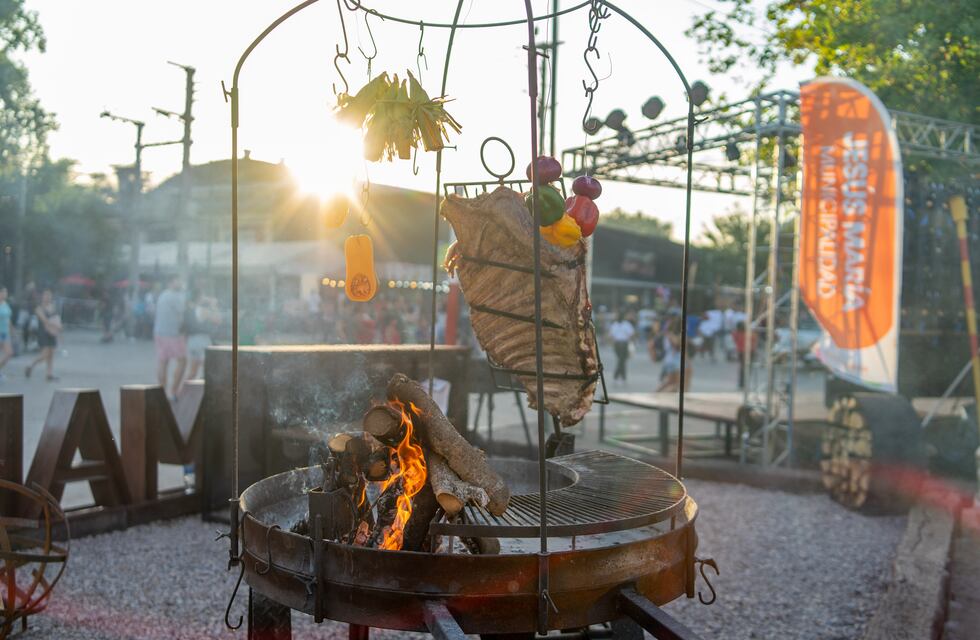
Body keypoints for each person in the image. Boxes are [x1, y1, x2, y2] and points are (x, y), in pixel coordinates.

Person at [153, 276, 187, 399]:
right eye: (178, 281)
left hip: (159, 332)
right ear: (171, 282)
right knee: (182, 361)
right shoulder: (176, 296)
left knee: (163, 361)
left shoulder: (163, 295)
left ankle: (161, 394)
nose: (180, 283)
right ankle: (173, 391)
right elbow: (184, 311)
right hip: (173, 334)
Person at [182, 289, 221, 389]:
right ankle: (204, 392)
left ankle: (183, 392)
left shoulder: (189, 309)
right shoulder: (202, 310)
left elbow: (185, 328)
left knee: (193, 371)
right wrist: (214, 306)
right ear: (199, 298)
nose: (205, 298)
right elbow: (217, 320)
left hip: (192, 342)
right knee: (208, 370)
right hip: (202, 342)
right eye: (203, 296)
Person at [25, 289, 61, 381]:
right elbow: (44, 320)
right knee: (44, 355)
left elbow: (57, 317)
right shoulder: (39, 308)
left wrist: (57, 328)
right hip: (43, 333)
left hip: (52, 332)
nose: (48, 297)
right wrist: (56, 325)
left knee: (51, 354)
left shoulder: (53, 307)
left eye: (49, 295)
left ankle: (49, 374)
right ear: (42, 296)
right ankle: (30, 366)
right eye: (46, 295)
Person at [656, 317, 692, 392]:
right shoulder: (680, 335)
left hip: (668, 360)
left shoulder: (668, 334)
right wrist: (688, 362)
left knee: (670, 382)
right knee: (682, 384)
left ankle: (655, 394)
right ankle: (684, 397)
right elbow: (682, 349)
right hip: (678, 360)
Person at [608, 311, 636, 383]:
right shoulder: (616, 325)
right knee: (621, 360)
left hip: (624, 344)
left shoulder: (626, 324)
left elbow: (632, 334)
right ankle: (622, 377)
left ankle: (617, 376)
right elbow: (611, 336)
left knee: (621, 360)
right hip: (618, 344)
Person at [732, 320, 757, 390]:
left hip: (742, 352)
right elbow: (754, 340)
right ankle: (744, 383)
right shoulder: (749, 333)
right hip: (749, 352)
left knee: (742, 368)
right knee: (747, 368)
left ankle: (742, 383)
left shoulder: (736, 333)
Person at [0, 287, 13, 380]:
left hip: (6, 332)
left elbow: (8, 318)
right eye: (3, 292)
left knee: (9, 353)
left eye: (6, 292)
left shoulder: (5, 304)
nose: (5, 293)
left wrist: (12, 329)